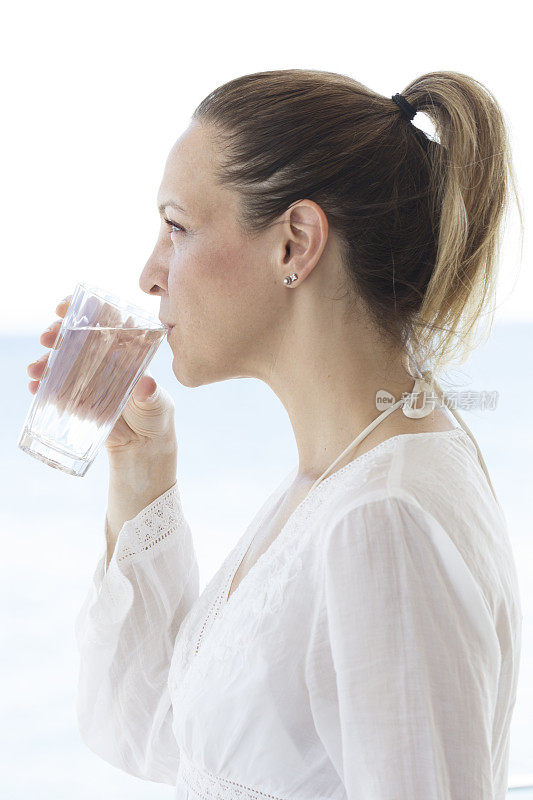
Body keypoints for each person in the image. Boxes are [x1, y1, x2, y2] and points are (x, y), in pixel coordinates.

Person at [27, 69, 523, 799]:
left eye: (176, 227)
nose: (150, 273)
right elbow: (170, 738)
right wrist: (142, 474)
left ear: (294, 243)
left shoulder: (380, 517)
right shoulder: (340, 477)